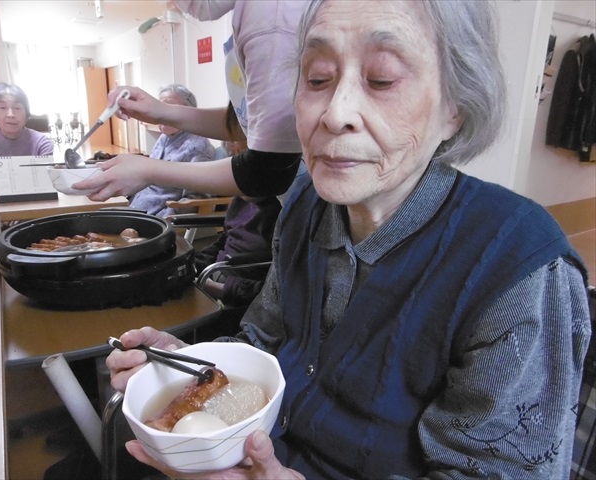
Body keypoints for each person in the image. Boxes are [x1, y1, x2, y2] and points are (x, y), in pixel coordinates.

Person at [106, 1, 592, 479]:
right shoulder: (303, 207)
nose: (335, 113)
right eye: (317, 78)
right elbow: (262, 343)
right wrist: (195, 367)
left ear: (455, 109)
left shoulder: (518, 266)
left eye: (381, 79)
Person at [74, 0, 307, 203]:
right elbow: (243, 124)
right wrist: (161, 111)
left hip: (311, 200)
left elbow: (268, 170)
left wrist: (149, 170)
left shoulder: (270, 13)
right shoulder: (254, 12)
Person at [128, 84, 216, 218]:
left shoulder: (198, 146)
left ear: (189, 112)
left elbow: (196, 200)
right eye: (160, 108)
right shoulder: (164, 138)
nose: (162, 114)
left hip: (157, 219)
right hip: (136, 209)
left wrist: (163, 221)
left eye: (169, 108)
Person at [0, 82, 54, 173]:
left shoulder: (42, 143)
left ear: (26, 114)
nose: (10, 114)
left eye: (17, 108)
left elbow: (45, 178)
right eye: (2, 107)